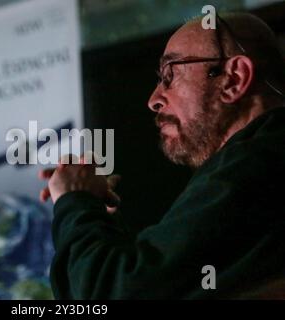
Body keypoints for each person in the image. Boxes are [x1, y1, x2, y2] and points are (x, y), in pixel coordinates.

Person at [38, 12, 285, 299]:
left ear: (234, 79)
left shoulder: (256, 163)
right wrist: (97, 224)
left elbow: (106, 296)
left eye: (170, 75)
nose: (153, 99)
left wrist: (76, 204)